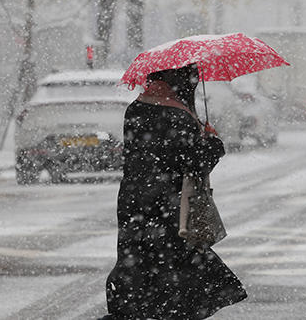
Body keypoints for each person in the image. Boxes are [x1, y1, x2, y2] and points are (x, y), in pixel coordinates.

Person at [100, 63, 246, 320]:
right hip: (169, 204)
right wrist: (212, 143)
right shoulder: (177, 115)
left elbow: (152, 153)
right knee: (175, 272)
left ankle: (135, 312)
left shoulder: (136, 107)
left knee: (139, 262)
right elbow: (194, 164)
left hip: (134, 199)